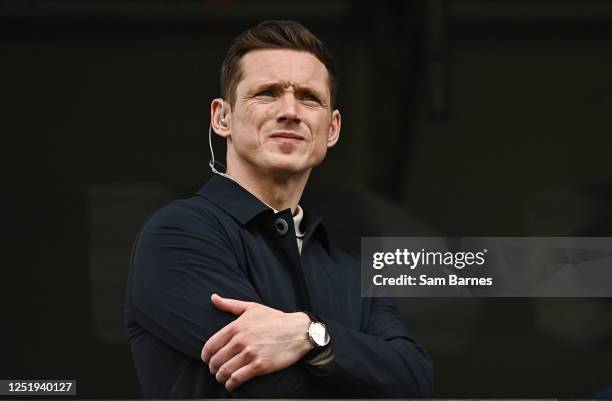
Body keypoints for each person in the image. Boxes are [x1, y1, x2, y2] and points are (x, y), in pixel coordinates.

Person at [125, 19, 433, 398]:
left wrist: (310, 335)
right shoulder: (177, 235)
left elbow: (415, 380)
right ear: (222, 117)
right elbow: (272, 390)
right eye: (267, 93)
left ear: (332, 129)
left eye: (309, 97)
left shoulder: (353, 271)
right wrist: (347, 353)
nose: (290, 111)